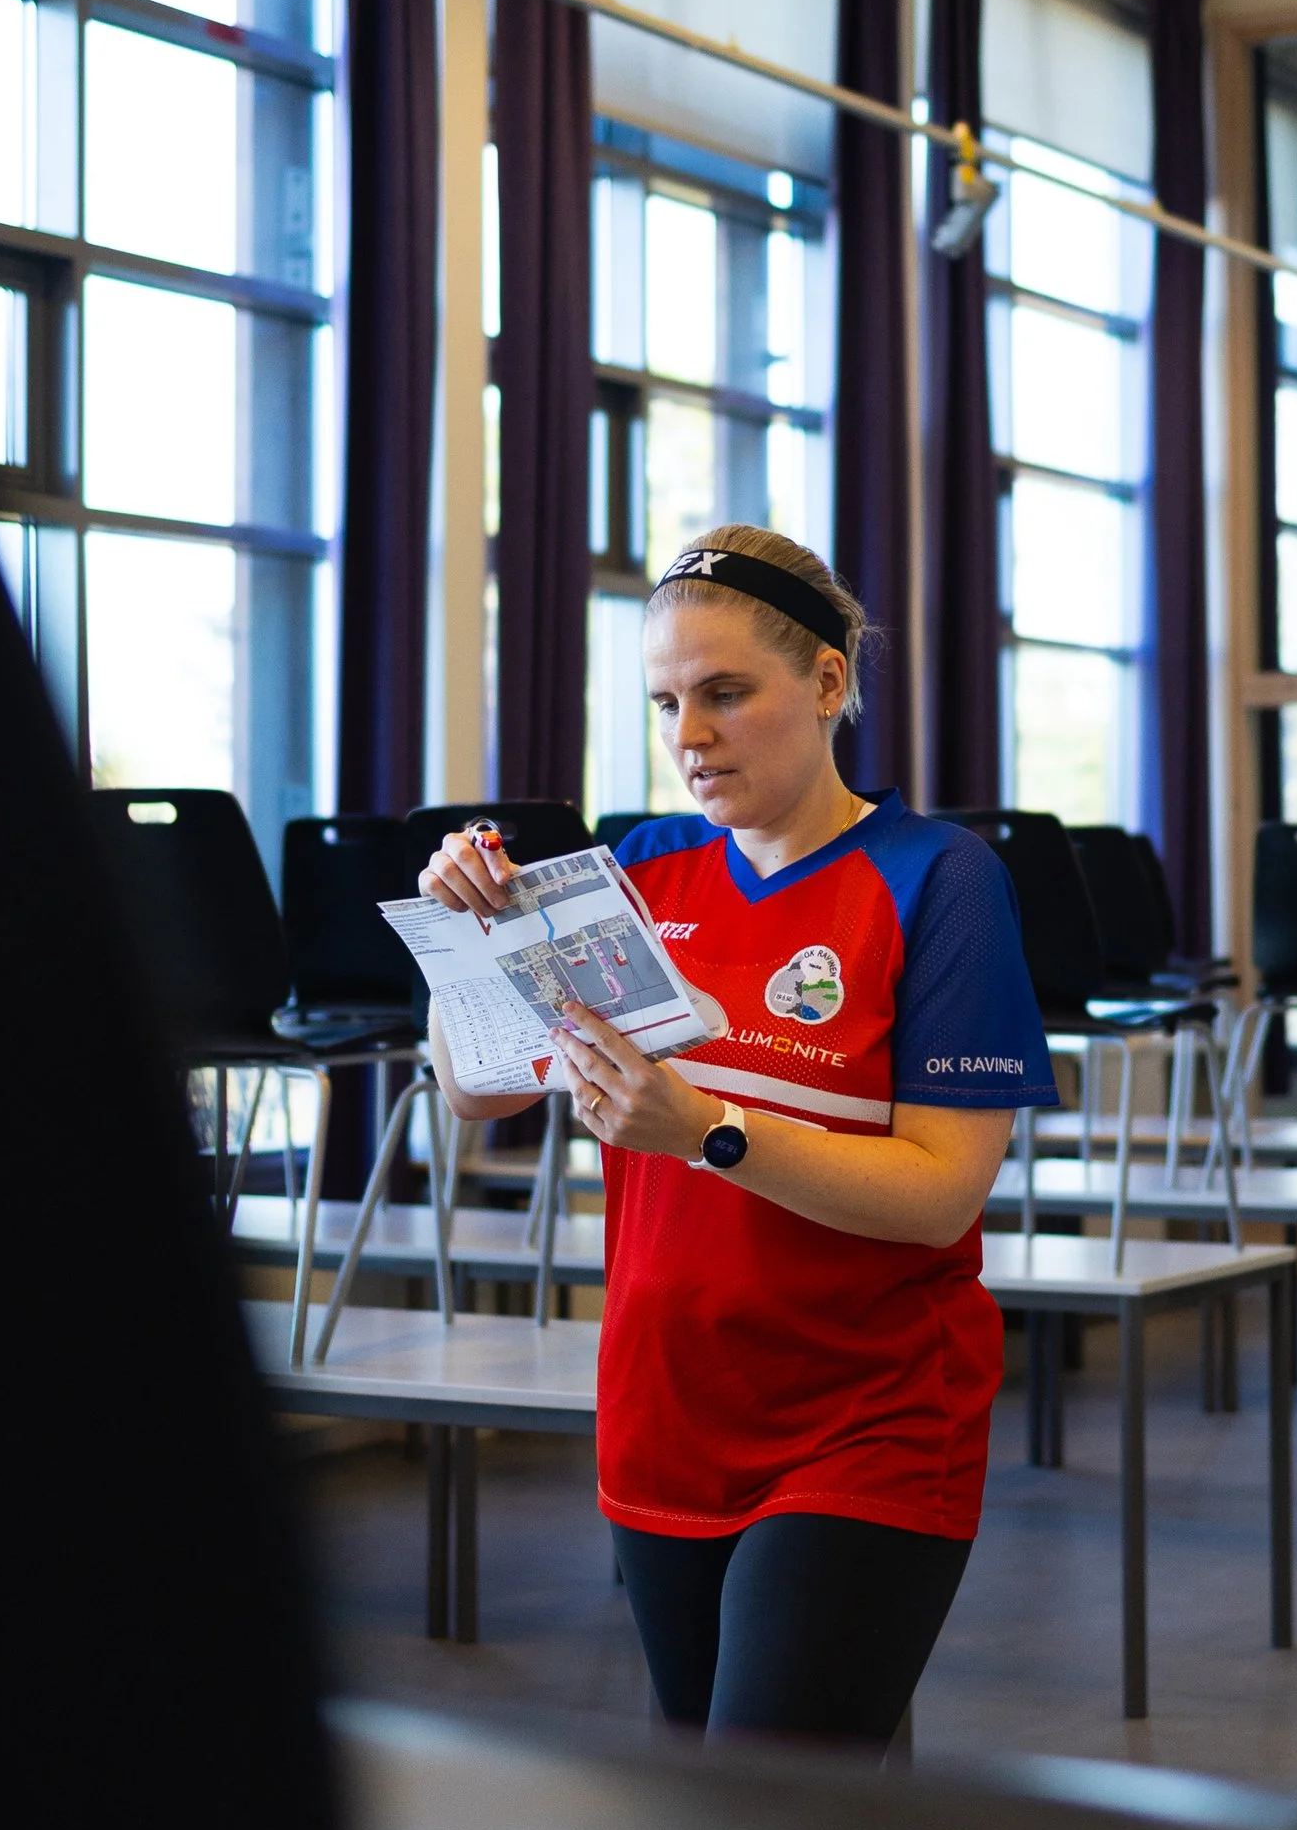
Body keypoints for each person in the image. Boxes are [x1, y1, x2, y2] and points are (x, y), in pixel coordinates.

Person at [419, 525, 1057, 1750]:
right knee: (757, 1823)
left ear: (825, 682)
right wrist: (467, 942)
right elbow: (476, 1089)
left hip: (864, 1416)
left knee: (765, 1794)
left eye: (724, 693)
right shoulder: (641, 873)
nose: (689, 734)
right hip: (667, 1407)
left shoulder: (938, 877)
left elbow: (939, 1196)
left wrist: (708, 1129)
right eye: (665, 701)